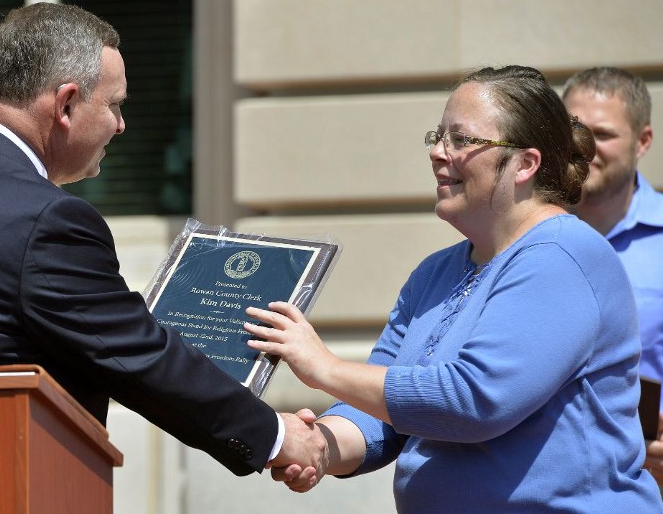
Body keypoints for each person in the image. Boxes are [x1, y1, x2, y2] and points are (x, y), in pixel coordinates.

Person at [0, 2, 325, 478]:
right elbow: (135, 355)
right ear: (65, 104)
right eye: (114, 105)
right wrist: (275, 436)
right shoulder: (46, 219)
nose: (121, 126)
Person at [244, 65, 663, 512]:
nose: (438, 153)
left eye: (461, 140)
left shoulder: (564, 256)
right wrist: (317, 446)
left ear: (525, 163)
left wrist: (323, 367)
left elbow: (474, 400)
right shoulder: (434, 272)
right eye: (438, 136)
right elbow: (379, 414)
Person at [561, 67, 663, 484]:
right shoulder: (517, 233)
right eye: (573, 130)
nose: (584, 148)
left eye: (602, 135)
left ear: (643, 142)